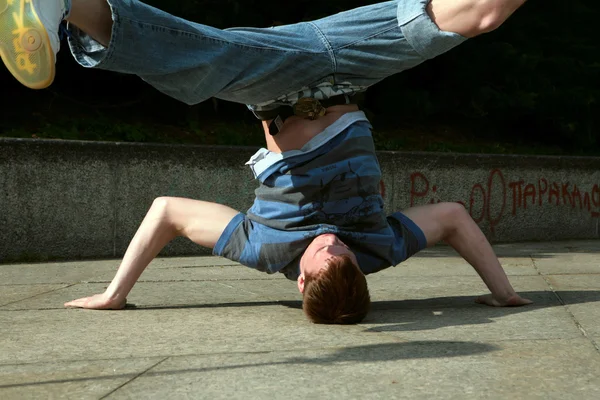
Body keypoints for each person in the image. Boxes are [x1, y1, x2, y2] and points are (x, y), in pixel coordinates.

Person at [1, 0, 532, 324]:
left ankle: (64, 5)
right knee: (482, 15)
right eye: (345, 251)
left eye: (326, 253)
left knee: (194, 64)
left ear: (301, 281)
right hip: (348, 64)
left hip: (270, 76)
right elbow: (455, 217)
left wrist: (116, 294)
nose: (334, 241)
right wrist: (503, 293)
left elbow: (166, 210)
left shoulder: (263, 248)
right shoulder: (380, 248)